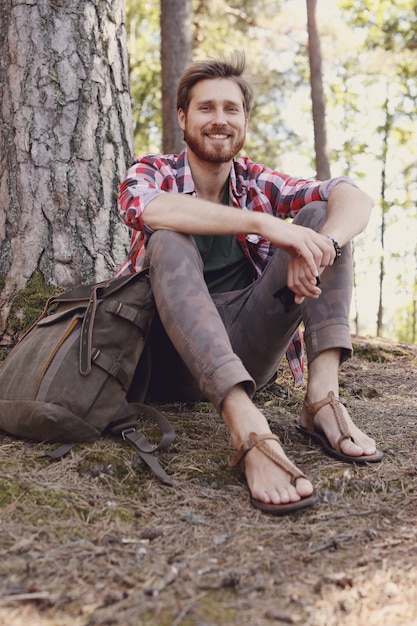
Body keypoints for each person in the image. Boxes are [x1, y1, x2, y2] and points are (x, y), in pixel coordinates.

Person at [116, 52, 382, 516]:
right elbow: (148, 209)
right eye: (206, 108)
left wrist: (321, 246)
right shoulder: (152, 171)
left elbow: (353, 197)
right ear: (183, 116)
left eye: (231, 109)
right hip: (166, 359)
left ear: (244, 120)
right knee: (169, 240)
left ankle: (322, 400)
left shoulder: (257, 180)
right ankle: (245, 425)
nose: (219, 120)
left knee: (321, 218)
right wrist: (271, 225)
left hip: (247, 351)